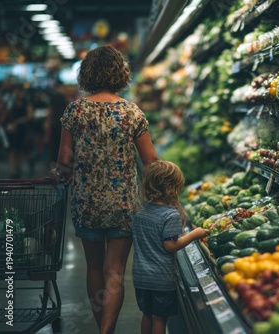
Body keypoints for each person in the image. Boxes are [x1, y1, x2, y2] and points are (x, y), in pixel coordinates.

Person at [49, 45, 159, 334]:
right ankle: (105, 331)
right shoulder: (131, 112)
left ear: (86, 74)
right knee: (115, 272)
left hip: (87, 202)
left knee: (94, 269)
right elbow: (151, 161)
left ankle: (103, 330)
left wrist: (59, 174)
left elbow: (65, 161)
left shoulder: (75, 110)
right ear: (120, 74)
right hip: (123, 204)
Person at [132, 160, 209, 334]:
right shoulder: (170, 214)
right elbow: (170, 246)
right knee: (159, 318)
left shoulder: (140, 211)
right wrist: (194, 235)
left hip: (140, 276)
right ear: (170, 187)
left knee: (147, 315)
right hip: (161, 278)